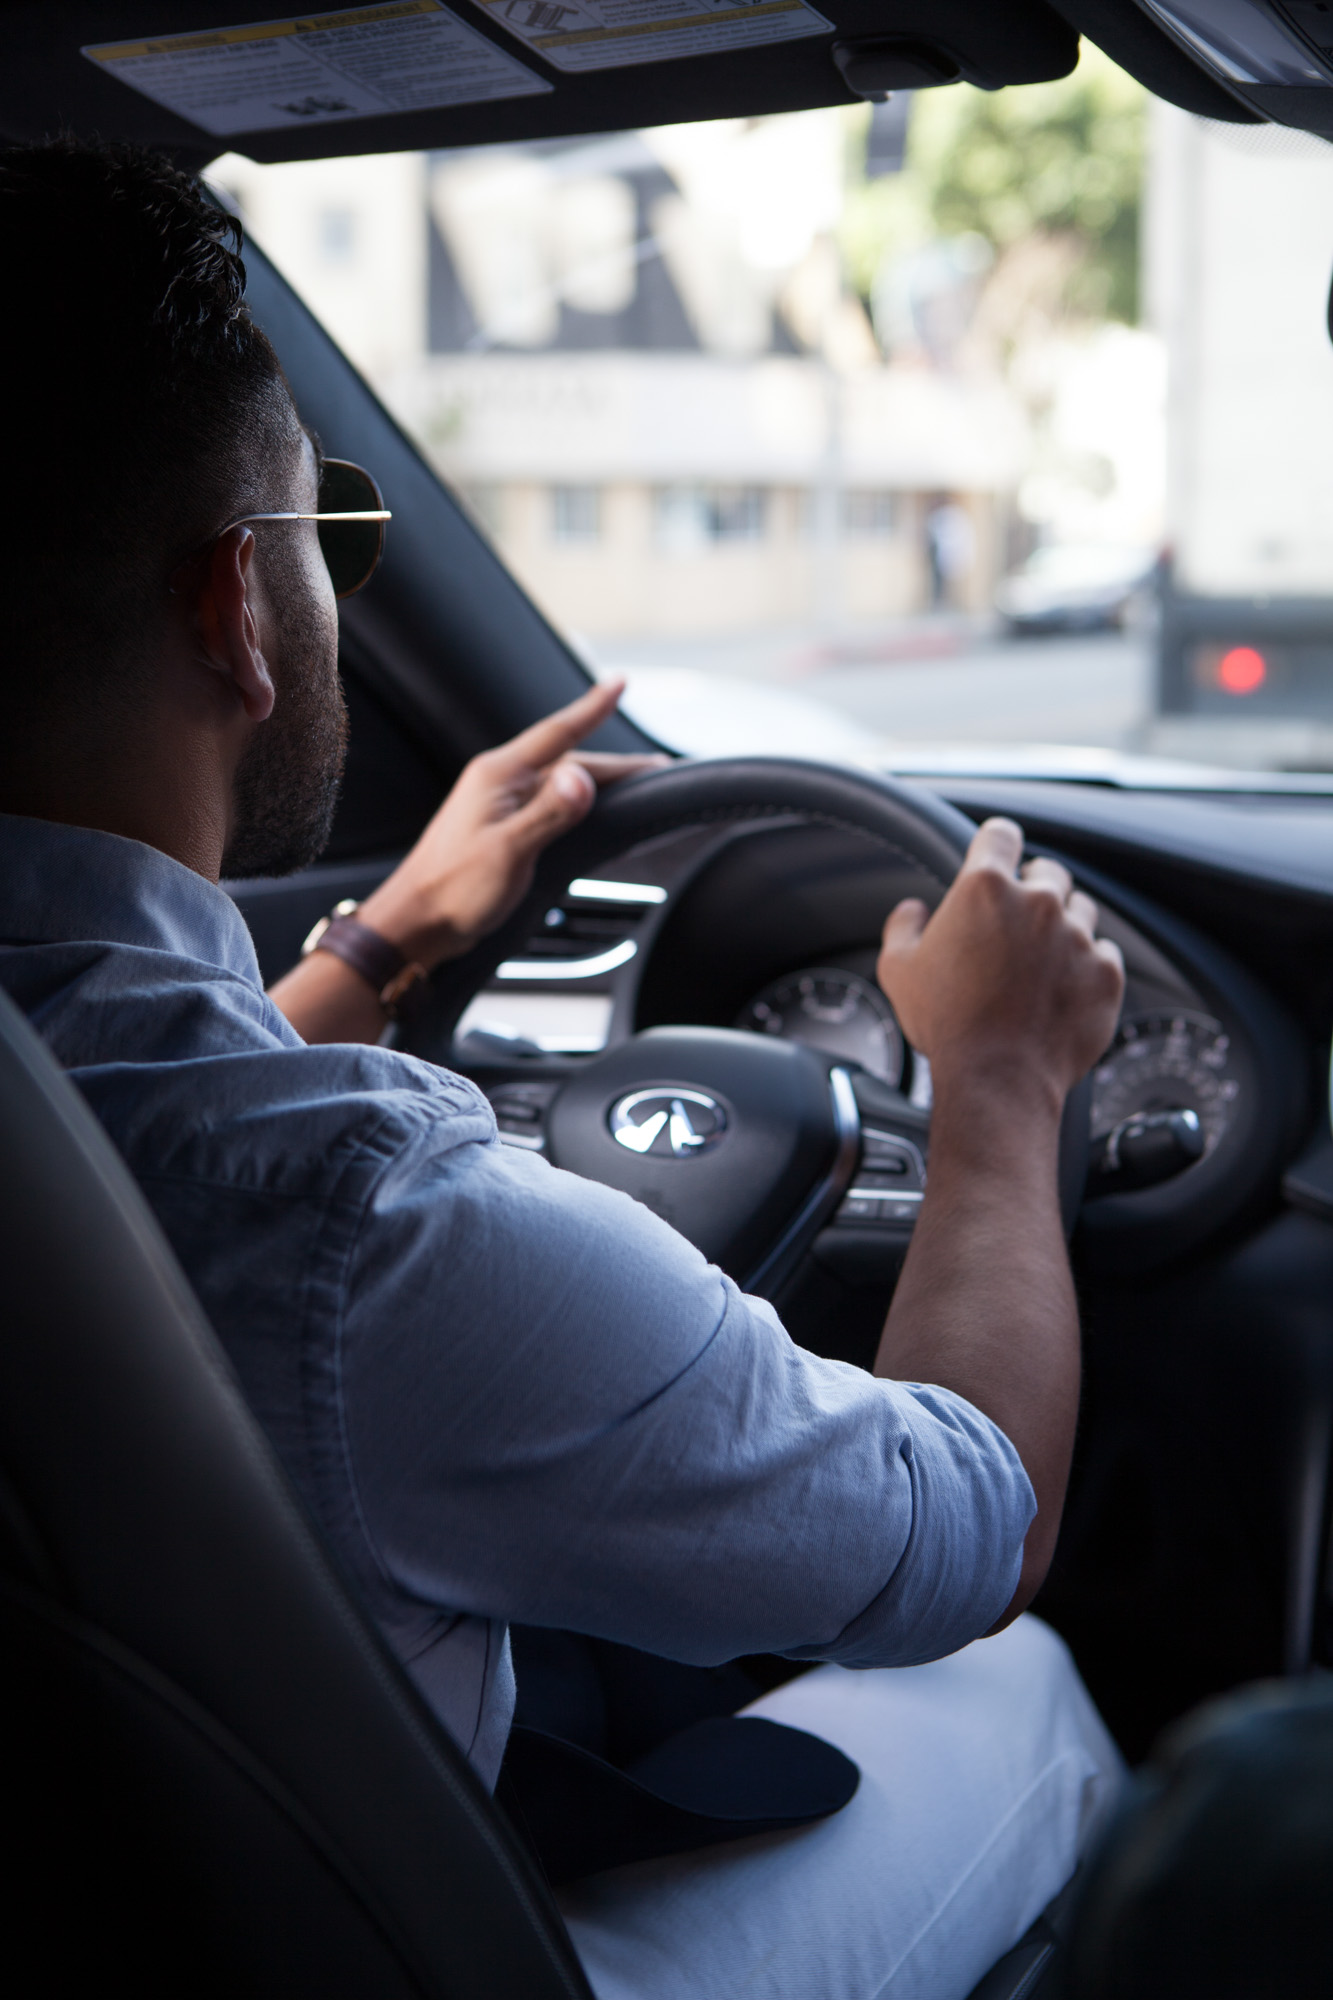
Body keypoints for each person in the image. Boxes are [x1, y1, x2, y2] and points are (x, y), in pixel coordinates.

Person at [0, 139, 1126, 2000]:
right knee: (1022, 1691)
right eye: (327, 543)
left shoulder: (143, 1139)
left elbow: (105, 1191)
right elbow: (967, 1524)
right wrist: (1002, 1083)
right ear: (230, 612)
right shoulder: (377, 1223)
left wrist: (379, 945)